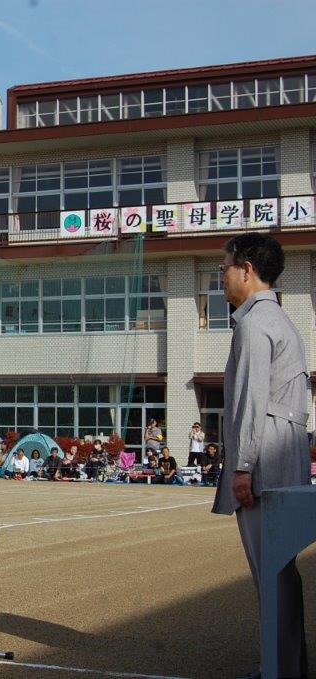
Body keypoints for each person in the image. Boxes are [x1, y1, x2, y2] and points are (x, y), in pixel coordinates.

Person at [212, 233, 310, 678]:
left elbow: (250, 402)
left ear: (247, 268)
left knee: (270, 574)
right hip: (284, 453)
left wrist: (242, 467)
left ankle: (278, 669)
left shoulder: (254, 324)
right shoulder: (278, 318)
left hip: (264, 460)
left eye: (225, 266)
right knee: (282, 573)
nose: (222, 274)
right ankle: (285, 665)